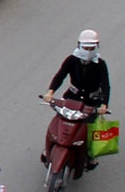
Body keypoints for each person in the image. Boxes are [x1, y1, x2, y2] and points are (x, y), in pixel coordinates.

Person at [46, 29, 111, 173]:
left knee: (92, 128)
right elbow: (60, 76)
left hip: (91, 101)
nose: (88, 51)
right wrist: (50, 92)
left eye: (91, 48)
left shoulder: (100, 64)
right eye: (86, 47)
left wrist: (104, 104)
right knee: (60, 118)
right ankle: (48, 148)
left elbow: (105, 85)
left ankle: (92, 154)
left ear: (97, 47)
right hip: (72, 96)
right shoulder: (71, 60)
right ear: (79, 45)